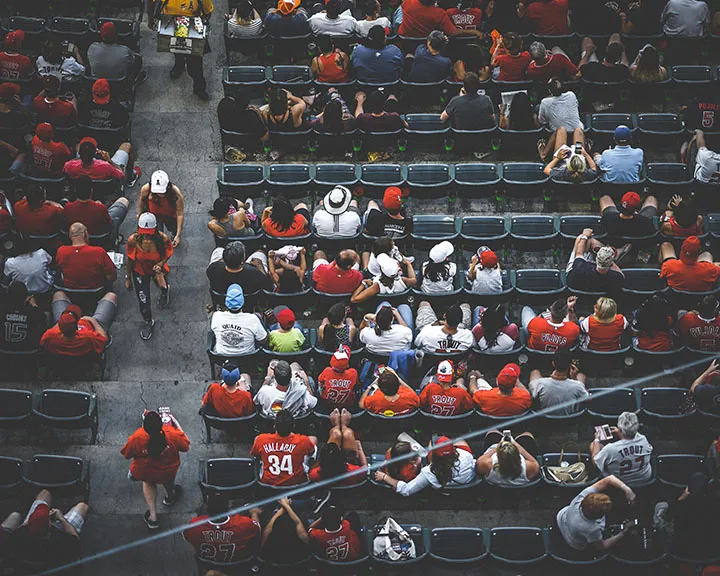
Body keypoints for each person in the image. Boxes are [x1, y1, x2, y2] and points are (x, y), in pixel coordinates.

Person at [121, 410, 190, 529]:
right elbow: (185, 446)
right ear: (161, 424)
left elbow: (127, 455)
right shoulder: (172, 434)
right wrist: (176, 424)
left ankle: (153, 518)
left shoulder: (137, 437)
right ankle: (170, 497)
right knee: (167, 480)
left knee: (148, 482)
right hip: (168, 471)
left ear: (144, 426)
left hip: (145, 471)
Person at [147, 0, 212, 100]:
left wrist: (200, 25)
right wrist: (150, 19)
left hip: (192, 29)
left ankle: (199, 88)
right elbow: (151, 2)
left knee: (195, 65)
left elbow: (208, 11)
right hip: (171, 25)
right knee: (176, 50)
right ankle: (179, 65)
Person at [126, 213, 174, 340]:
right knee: (143, 299)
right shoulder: (133, 240)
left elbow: (167, 253)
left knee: (161, 285)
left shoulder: (162, 239)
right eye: (144, 232)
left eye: (149, 232)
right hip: (140, 270)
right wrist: (128, 278)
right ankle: (148, 321)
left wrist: (160, 263)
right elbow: (130, 259)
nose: (146, 236)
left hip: (156, 270)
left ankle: (165, 291)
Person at [13, 489, 88, 570]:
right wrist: (61, 519)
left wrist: (36, 520)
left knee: (44, 493)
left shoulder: (18, 536)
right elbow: (75, 537)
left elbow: (23, 527)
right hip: (55, 560)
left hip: (30, 568)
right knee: (82, 506)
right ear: (50, 525)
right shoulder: (63, 541)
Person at [556, 476, 636, 551]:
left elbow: (609, 479)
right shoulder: (592, 529)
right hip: (573, 541)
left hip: (562, 518)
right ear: (599, 516)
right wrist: (622, 533)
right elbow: (602, 546)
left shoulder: (581, 498)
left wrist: (627, 490)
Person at [375, 437, 477, 495]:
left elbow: (406, 490)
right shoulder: (466, 455)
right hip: (465, 481)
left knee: (432, 439)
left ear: (432, 455)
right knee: (460, 440)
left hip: (441, 483)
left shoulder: (427, 472)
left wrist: (384, 477)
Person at [184, 494, 261, 561]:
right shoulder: (243, 524)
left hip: (208, 566)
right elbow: (257, 528)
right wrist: (254, 513)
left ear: (208, 510)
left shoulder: (195, 525)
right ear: (227, 509)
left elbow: (186, 536)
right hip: (235, 567)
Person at [250, 409, 317, 486]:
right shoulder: (303, 440)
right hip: (297, 485)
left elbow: (255, 456)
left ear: (274, 426)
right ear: (293, 426)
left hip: (268, 485)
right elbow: (311, 452)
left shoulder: (261, 439)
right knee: (313, 439)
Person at [590, 412, 653, 485]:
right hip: (643, 480)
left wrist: (596, 440)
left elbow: (595, 464)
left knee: (594, 445)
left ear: (620, 429)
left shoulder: (610, 449)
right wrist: (621, 432)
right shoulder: (643, 439)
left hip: (619, 484)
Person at [309, 409, 367, 485]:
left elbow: (311, 471)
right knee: (348, 433)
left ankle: (337, 426)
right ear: (342, 458)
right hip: (349, 467)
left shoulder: (314, 475)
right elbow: (365, 468)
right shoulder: (354, 473)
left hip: (327, 472)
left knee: (335, 434)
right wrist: (359, 448)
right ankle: (343, 426)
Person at [210, 283, 267, 355]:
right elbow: (263, 340)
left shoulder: (216, 316)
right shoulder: (253, 319)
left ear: (226, 303)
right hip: (247, 356)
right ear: (243, 303)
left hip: (222, 356)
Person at [56, 222, 116, 289]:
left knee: (58, 294)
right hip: (96, 293)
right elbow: (111, 276)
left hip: (71, 293)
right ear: (85, 234)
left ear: (70, 236)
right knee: (112, 295)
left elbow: (58, 271)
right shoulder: (99, 251)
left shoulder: (61, 251)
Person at [529, 349, 588, 415]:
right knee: (581, 376)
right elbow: (588, 399)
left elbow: (532, 396)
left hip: (545, 420)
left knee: (535, 372)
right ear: (570, 366)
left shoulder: (540, 383)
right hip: (568, 421)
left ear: (553, 364)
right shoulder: (577, 385)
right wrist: (574, 379)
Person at [565, 230, 625, 295]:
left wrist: (584, 235)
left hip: (576, 280)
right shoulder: (616, 278)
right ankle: (616, 254)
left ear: (596, 259)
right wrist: (608, 259)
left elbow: (579, 253)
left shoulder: (581, 267)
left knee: (580, 238)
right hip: (597, 292)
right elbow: (621, 275)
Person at [139, 170, 185, 247]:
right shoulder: (146, 189)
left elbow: (180, 213)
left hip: (170, 216)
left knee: (173, 228)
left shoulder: (175, 193)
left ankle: (173, 235)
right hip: (154, 216)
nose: (160, 193)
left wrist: (178, 235)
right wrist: (140, 215)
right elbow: (142, 200)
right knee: (157, 234)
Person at [476, 430, 540, 486]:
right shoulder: (529, 468)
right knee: (527, 435)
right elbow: (535, 462)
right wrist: (516, 444)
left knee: (492, 432)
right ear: (518, 455)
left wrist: (499, 446)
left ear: (498, 457)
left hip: (495, 492)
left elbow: (480, 460)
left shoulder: (487, 465)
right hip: (520, 493)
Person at [206, 241, 273, 295]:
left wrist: (222, 261)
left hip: (222, 296)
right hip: (248, 300)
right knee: (259, 254)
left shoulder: (213, 268)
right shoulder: (254, 272)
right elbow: (268, 285)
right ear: (243, 261)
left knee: (218, 250)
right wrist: (259, 266)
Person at [397, 0, 484, 39]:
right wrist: (473, 32)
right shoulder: (439, 13)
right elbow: (453, 32)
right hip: (425, 44)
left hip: (404, 41)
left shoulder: (407, 3)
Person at [63, 136, 131, 184]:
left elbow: (67, 167)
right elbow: (122, 176)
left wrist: (80, 157)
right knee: (127, 145)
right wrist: (110, 161)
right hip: (103, 189)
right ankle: (132, 177)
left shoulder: (69, 166)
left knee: (77, 144)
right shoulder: (106, 166)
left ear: (79, 153)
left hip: (81, 189)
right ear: (94, 153)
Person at [260, 497, 310, 563]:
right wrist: (286, 505)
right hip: (297, 566)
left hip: (275, 565)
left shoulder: (270, 542)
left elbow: (267, 530)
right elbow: (298, 523)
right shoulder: (301, 538)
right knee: (304, 516)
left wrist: (282, 509)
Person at [351, 253, 416, 302]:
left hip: (383, 306)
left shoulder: (376, 286)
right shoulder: (404, 281)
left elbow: (354, 299)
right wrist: (408, 264)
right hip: (399, 303)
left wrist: (363, 283)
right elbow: (413, 280)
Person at [0, 282, 45, 352]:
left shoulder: (2, 310)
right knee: (48, 315)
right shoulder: (33, 312)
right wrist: (34, 304)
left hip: (3, 352)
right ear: (25, 297)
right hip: (28, 353)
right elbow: (43, 318)